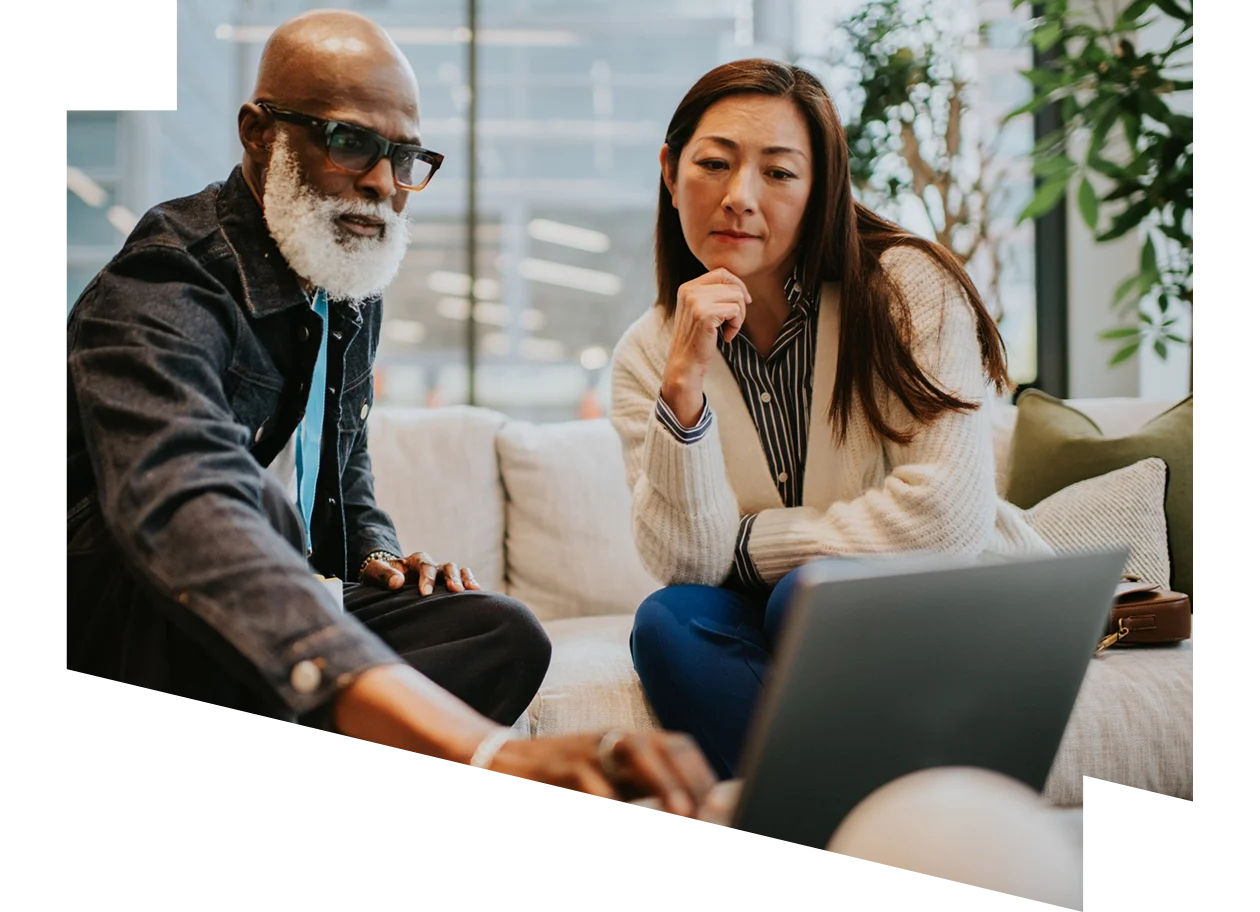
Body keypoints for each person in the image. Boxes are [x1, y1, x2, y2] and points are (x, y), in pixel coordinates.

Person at [63, 8, 716, 816]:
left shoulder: (344, 283)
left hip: (283, 599)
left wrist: (374, 551)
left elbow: (345, 465)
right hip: (139, 612)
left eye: (406, 156)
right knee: (252, 510)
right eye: (349, 143)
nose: (382, 182)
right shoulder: (162, 285)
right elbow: (190, 503)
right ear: (259, 133)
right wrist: (488, 749)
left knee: (497, 630)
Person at [608, 59, 1055, 780]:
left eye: (780, 174)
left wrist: (754, 550)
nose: (739, 198)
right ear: (669, 169)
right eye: (714, 164)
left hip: (945, 589)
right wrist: (683, 385)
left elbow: (946, 514)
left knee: (810, 595)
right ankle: (830, 818)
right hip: (791, 607)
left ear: (822, 190)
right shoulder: (647, 353)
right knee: (669, 621)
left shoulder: (906, 287)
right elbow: (691, 564)